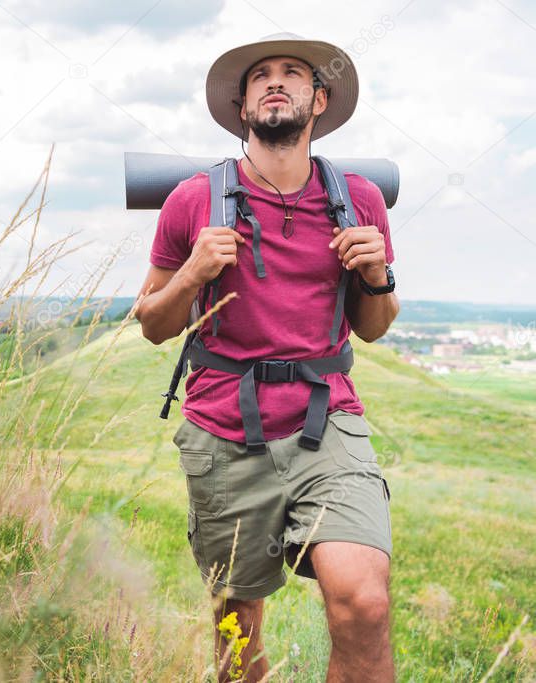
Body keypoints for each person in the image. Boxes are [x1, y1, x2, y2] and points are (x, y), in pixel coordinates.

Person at [134, 33, 399, 682]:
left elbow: (372, 328)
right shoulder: (193, 200)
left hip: (325, 420)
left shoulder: (357, 198)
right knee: (235, 621)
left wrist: (377, 276)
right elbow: (151, 323)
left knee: (363, 601)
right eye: (259, 76)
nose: (273, 82)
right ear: (242, 104)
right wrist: (193, 271)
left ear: (319, 99)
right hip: (222, 431)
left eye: (291, 73)